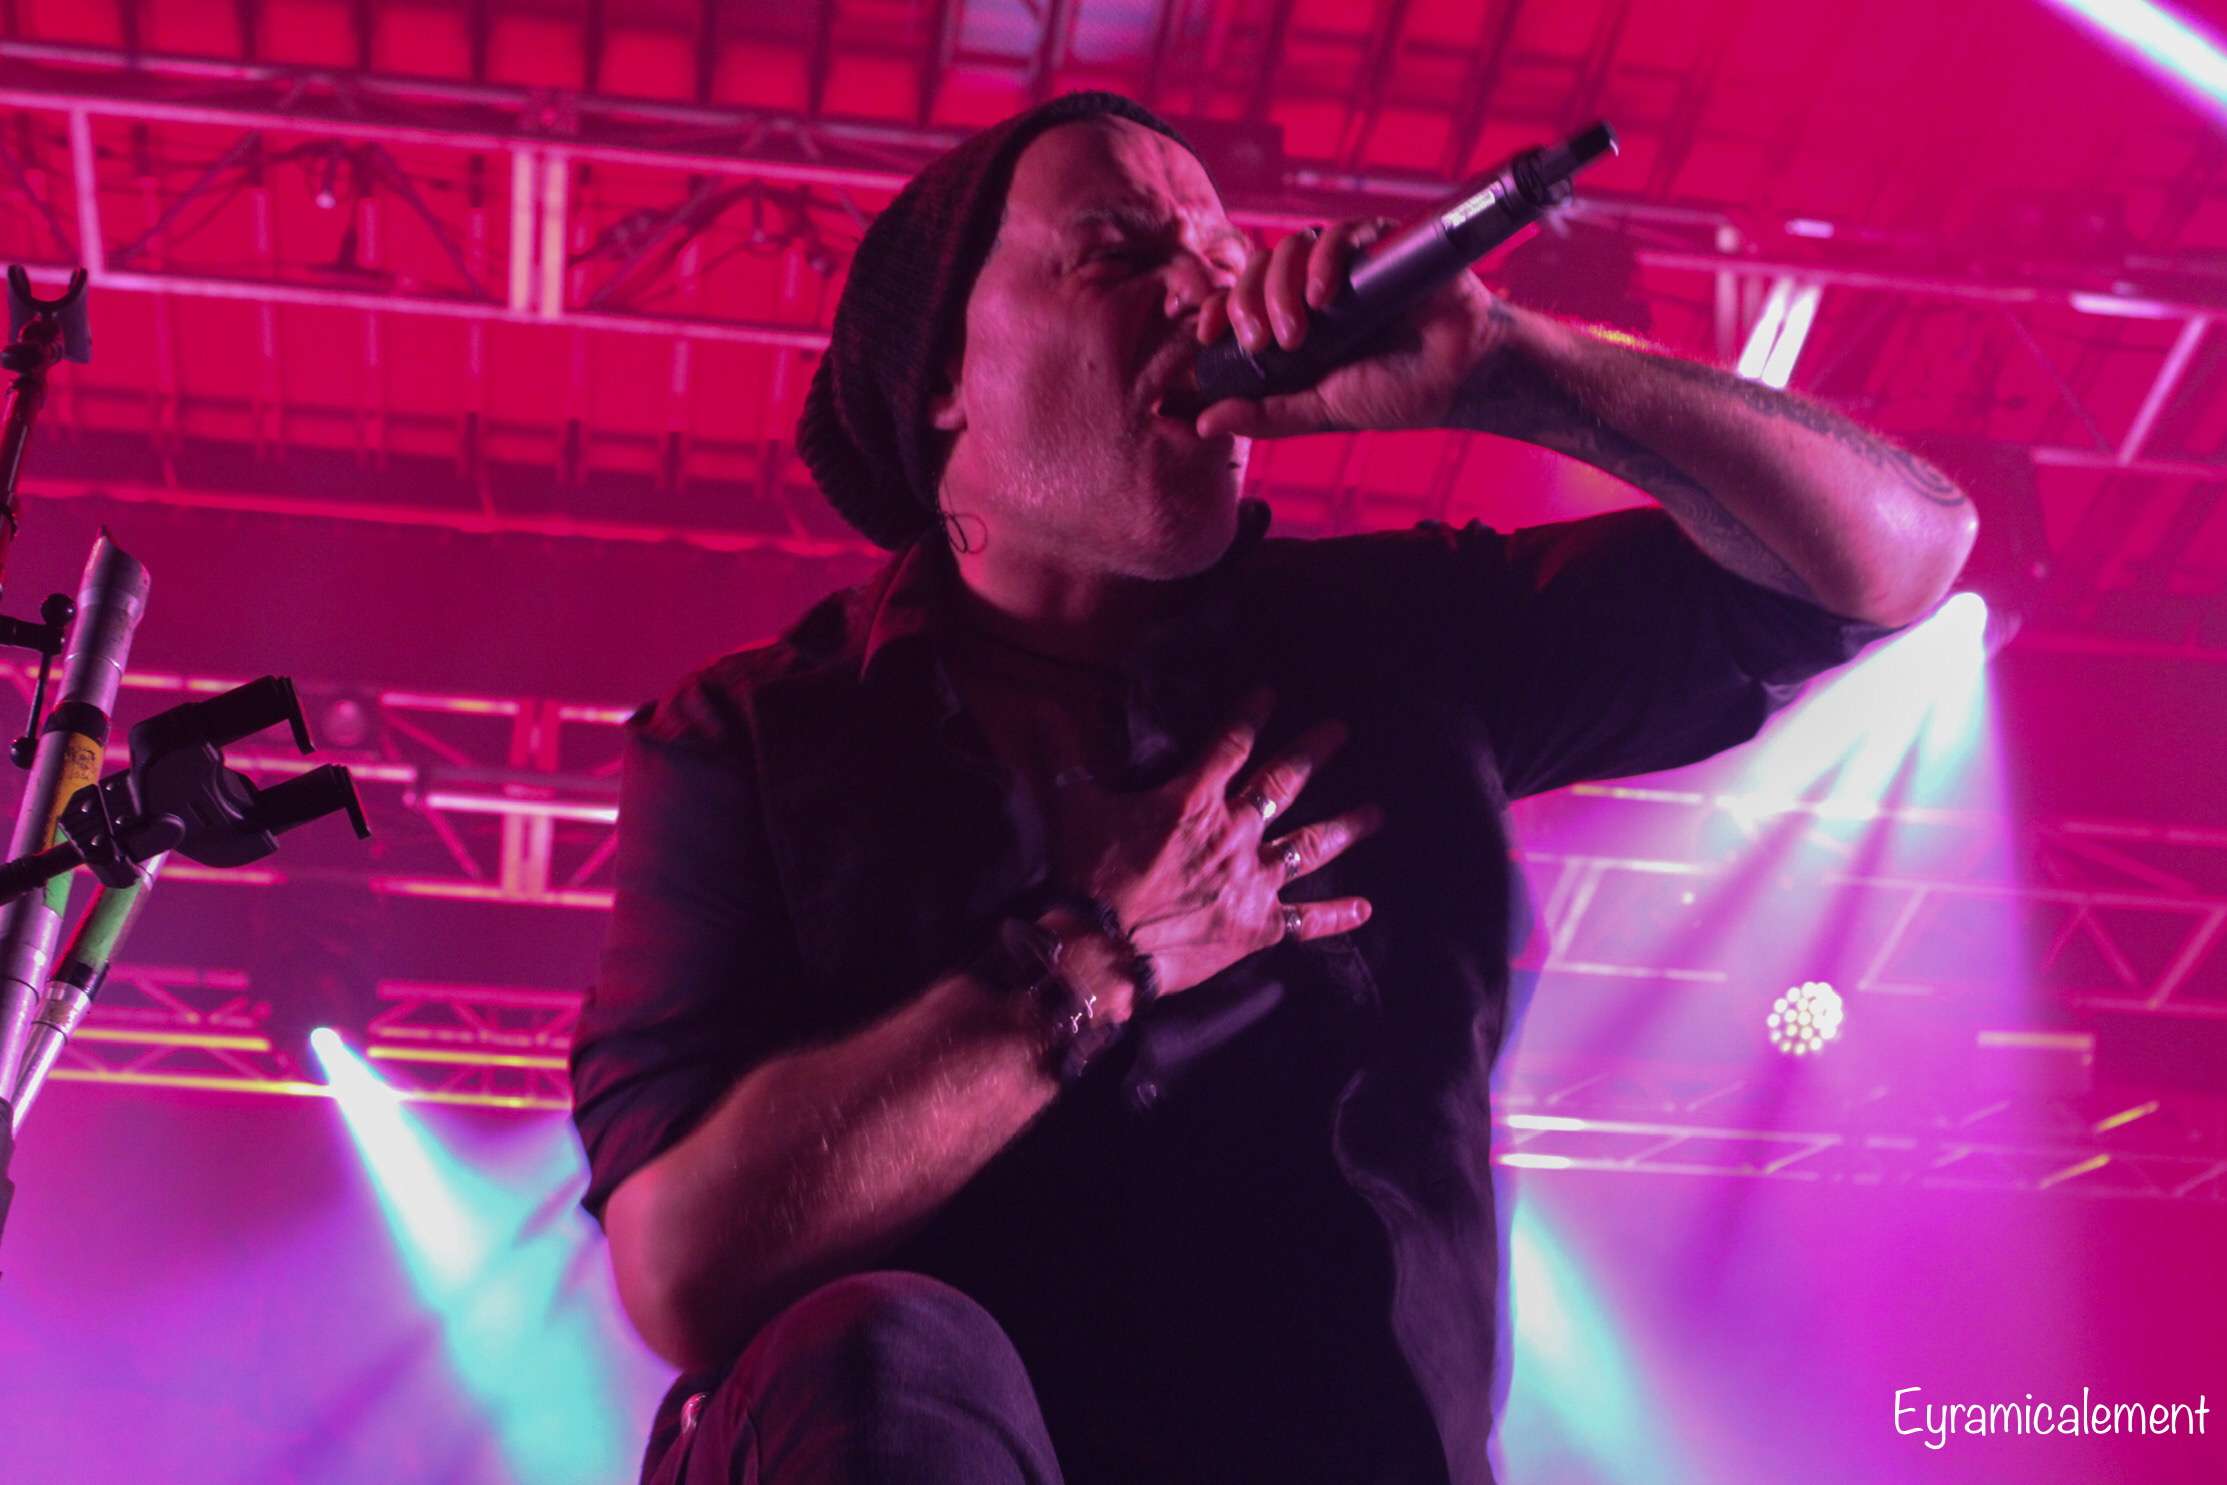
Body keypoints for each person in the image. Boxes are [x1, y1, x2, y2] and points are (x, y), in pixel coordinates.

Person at [568, 91, 1976, 1485]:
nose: (1210, 290)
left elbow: (1892, 562)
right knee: (875, 1352)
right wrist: (1095, 962)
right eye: (1120, 253)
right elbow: (686, 1271)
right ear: (943, 376)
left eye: (1225, 254)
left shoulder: (1399, 641)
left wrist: (1509, 366)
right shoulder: (755, 742)